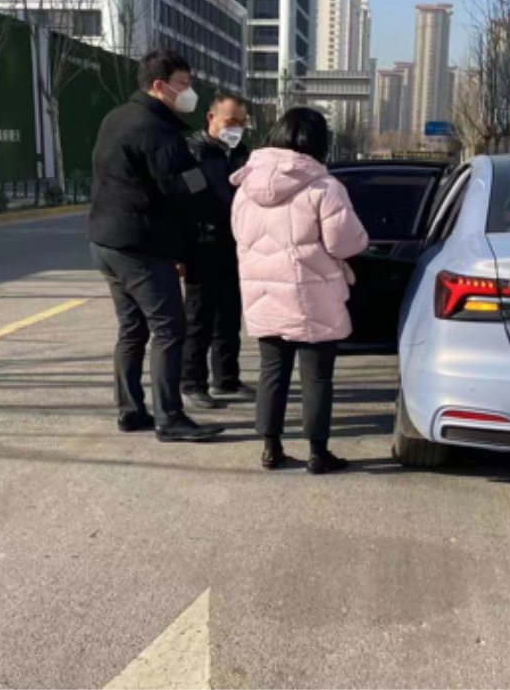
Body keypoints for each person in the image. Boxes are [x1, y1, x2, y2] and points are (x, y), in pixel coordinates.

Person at [88, 48, 224, 442]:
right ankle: (170, 418)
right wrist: (221, 214)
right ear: (160, 86)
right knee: (169, 328)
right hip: (141, 246)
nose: (190, 91)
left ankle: (131, 411)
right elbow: (187, 190)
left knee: (132, 329)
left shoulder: (117, 117)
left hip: (106, 242)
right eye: (184, 83)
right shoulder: (158, 131)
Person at [231, 108, 369, 474]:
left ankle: (270, 449)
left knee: (271, 373)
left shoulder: (245, 187)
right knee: (317, 378)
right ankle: (318, 454)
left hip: (263, 293)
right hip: (313, 296)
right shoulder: (325, 188)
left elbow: (240, 237)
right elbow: (344, 243)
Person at [181, 94, 255, 410]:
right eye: (231, 121)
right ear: (211, 118)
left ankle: (226, 378)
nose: (236, 128)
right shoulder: (192, 153)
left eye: (242, 122)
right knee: (199, 318)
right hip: (201, 246)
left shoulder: (241, 154)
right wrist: (179, 252)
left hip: (234, 246)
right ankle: (192, 383)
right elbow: (183, 204)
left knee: (229, 316)